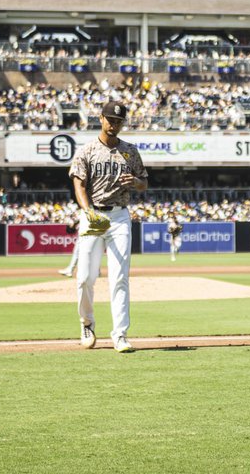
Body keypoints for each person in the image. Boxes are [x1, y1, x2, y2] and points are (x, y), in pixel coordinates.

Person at [70, 101, 148, 353]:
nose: (113, 124)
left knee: (120, 278)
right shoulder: (88, 150)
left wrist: (136, 181)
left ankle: (120, 334)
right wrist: (87, 211)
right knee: (84, 278)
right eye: (110, 119)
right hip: (93, 215)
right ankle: (87, 323)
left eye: (118, 121)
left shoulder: (130, 151)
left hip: (119, 217)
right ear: (101, 119)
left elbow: (144, 183)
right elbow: (79, 184)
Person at [59, 212, 81, 277]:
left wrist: (74, 221)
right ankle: (97, 271)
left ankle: (70, 270)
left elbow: (74, 224)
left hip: (84, 235)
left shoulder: (82, 214)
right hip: (89, 233)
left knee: (76, 253)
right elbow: (71, 230)